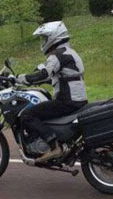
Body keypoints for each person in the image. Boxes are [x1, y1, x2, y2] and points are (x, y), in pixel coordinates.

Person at [15, 21, 88, 161]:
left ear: (53, 36)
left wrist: (19, 79)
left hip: (67, 102)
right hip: (78, 100)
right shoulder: (70, 52)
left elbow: (44, 74)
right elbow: (62, 77)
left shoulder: (57, 55)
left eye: (45, 38)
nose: (43, 42)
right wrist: (42, 81)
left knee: (26, 115)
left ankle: (53, 145)